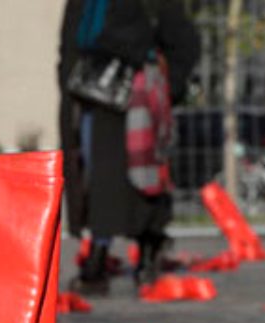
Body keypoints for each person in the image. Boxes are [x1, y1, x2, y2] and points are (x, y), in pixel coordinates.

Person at [60, 0, 199, 295]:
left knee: (142, 180)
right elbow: (71, 41)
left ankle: (147, 250)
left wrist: (165, 85)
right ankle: (99, 254)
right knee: (96, 180)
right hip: (91, 94)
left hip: (135, 96)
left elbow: (181, 39)